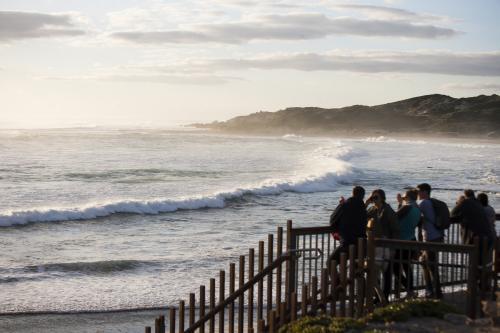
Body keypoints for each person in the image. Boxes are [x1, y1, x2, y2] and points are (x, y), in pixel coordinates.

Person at [366, 188, 399, 300]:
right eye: (372, 197)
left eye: (376, 197)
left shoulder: (388, 211)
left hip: (386, 245)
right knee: (374, 273)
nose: (374, 200)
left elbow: (395, 229)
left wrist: (393, 248)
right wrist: (366, 203)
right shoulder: (372, 209)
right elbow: (362, 216)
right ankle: (377, 296)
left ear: (382, 198)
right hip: (374, 245)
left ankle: (384, 297)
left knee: (386, 273)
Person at [328, 186, 368, 270]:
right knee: (356, 270)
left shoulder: (345, 205)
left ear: (352, 193)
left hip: (347, 243)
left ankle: (338, 282)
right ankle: (357, 282)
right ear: (363, 196)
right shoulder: (363, 208)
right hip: (362, 246)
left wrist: (341, 204)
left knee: (330, 263)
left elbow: (332, 219)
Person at [416, 183, 444, 299]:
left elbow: (411, 209)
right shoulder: (431, 202)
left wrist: (403, 200)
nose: (417, 194)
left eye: (418, 191)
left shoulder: (423, 203)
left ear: (425, 192)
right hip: (437, 236)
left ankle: (436, 293)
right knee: (424, 261)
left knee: (431, 265)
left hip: (430, 238)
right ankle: (430, 289)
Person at [393, 189, 420, 295]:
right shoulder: (417, 209)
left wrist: (400, 204)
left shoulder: (407, 207)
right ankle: (410, 291)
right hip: (411, 239)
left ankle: (409, 289)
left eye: (404, 198)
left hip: (401, 240)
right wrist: (401, 203)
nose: (403, 200)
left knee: (395, 268)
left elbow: (394, 218)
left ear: (408, 198)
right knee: (407, 267)